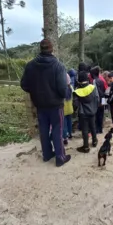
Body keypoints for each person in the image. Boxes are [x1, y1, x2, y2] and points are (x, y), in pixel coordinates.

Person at [20, 39, 71, 167]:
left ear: (40, 49)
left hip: (39, 104)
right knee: (57, 130)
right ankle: (60, 157)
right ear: (52, 49)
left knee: (43, 129)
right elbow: (62, 88)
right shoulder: (58, 66)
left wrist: (35, 92)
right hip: (55, 105)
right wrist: (65, 95)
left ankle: (47, 154)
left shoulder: (30, 65)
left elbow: (24, 85)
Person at [73, 71, 99, 153]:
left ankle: (86, 147)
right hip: (92, 111)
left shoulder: (77, 91)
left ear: (79, 80)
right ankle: (94, 141)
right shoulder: (93, 87)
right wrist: (94, 108)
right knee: (93, 126)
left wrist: (74, 112)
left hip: (83, 113)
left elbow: (75, 104)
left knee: (84, 130)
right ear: (87, 79)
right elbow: (97, 99)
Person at [90, 66, 108, 133]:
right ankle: (100, 129)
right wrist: (103, 102)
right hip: (103, 99)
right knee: (101, 115)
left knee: (97, 115)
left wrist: (98, 102)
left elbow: (97, 92)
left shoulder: (94, 81)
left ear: (92, 74)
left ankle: (97, 129)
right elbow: (104, 91)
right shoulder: (101, 80)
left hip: (98, 100)